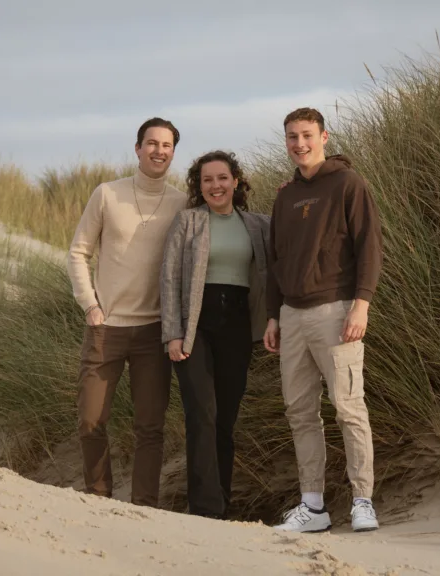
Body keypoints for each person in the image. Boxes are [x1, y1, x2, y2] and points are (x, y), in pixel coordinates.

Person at [263, 107, 383, 533]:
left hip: (336, 310)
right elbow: (275, 260)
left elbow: (370, 246)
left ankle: (362, 500)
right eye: (292, 137)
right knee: (300, 412)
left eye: (307, 135)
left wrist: (362, 305)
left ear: (324, 136)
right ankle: (312, 506)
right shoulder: (284, 195)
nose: (300, 144)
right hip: (291, 316)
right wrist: (274, 317)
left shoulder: (348, 184)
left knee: (349, 408)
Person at [67, 117, 187, 508]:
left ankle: (144, 506)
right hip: (107, 328)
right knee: (90, 419)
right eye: (151, 143)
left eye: (166, 145)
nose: (159, 151)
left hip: (155, 331)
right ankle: (99, 497)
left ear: (173, 151)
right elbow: (78, 252)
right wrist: (91, 306)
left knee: (150, 427)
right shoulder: (107, 194)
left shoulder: (181, 202)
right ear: (137, 149)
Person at [160, 150, 270, 519]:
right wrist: (173, 334)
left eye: (222, 178)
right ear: (199, 186)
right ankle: (205, 510)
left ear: (236, 181)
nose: (215, 185)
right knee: (201, 415)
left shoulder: (257, 225)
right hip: (196, 327)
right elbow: (170, 279)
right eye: (207, 180)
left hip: (238, 327)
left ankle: (223, 502)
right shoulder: (188, 221)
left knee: (225, 420)